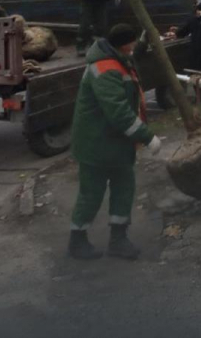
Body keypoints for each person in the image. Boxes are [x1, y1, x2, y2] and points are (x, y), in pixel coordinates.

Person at [68, 23, 161, 261]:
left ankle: (118, 240)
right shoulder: (105, 68)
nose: (133, 48)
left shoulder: (118, 57)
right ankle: (77, 241)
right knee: (91, 193)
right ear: (124, 45)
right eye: (132, 43)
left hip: (116, 143)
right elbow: (118, 112)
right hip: (96, 143)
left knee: (124, 189)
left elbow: (135, 55)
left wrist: (145, 39)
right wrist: (147, 137)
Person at [170, 1, 201, 74]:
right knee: (195, 70)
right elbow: (186, 29)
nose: (197, 12)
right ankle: (196, 80)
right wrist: (177, 34)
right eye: (197, 11)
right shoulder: (194, 20)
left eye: (199, 10)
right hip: (197, 49)